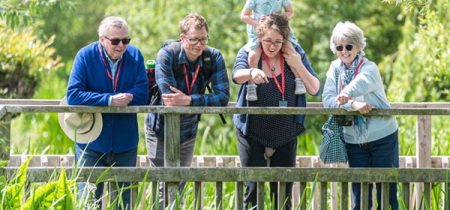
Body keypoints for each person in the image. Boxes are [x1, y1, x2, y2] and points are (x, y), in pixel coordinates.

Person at [232, 14, 321, 210]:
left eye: (278, 42)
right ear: (260, 37)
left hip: (285, 133)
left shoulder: (295, 53)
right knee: (252, 191)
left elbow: (315, 89)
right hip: (251, 132)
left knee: (283, 195)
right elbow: (236, 75)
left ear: (285, 40)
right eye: (268, 41)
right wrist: (251, 72)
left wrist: (297, 64)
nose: (272, 46)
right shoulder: (250, 52)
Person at [144, 13, 230, 209]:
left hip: (188, 129)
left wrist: (189, 100)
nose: (199, 45)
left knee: (180, 182)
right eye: (194, 40)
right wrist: (195, 101)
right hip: (159, 127)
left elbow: (223, 97)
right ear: (183, 38)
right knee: (162, 181)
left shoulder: (213, 57)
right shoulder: (167, 54)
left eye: (203, 39)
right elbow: (169, 99)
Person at [66, 16, 148, 209]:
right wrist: (109, 100)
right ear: (102, 39)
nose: (121, 45)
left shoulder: (135, 56)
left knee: (124, 203)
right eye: (115, 41)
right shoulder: (85, 55)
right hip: (91, 142)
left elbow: (142, 94)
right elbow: (74, 95)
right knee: (87, 203)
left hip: (125, 143)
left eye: (125, 40)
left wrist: (119, 99)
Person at [322, 21, 399, 210]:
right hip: (353, 140)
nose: (344, 51)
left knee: (386, 194)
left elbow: (361, 83)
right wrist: (353, 104)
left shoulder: (369, 67)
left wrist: (345, 94)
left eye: (349, 46)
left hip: (383, 137)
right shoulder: (334, 69)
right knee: (360, 197)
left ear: (358, 46)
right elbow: (327, 99)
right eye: (339, 47)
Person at [241, 0, 305, 102]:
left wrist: (281, 17)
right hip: (259, 32)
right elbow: (244, 16)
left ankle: (299, 80)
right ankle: (251, 87)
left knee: (291, 51)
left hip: (278, 30)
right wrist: (259, 23)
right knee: (253, 56)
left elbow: (290, 12)